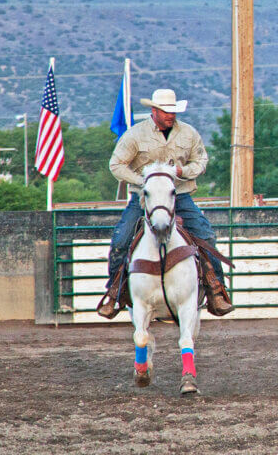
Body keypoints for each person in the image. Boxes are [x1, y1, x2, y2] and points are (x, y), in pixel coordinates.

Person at [97, 89, 232, 318]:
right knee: (121, 239)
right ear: (154, 111)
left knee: (206, 235)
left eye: (173, 111)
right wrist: (144, 182)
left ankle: (216, 289)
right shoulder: (135, 135)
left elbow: (200, 160)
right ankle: (115, 291)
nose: (171, 115)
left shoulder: (188, 133)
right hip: (145, 198)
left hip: (179, 195)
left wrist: (183, 171)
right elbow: (116, 164)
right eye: (166, 111)